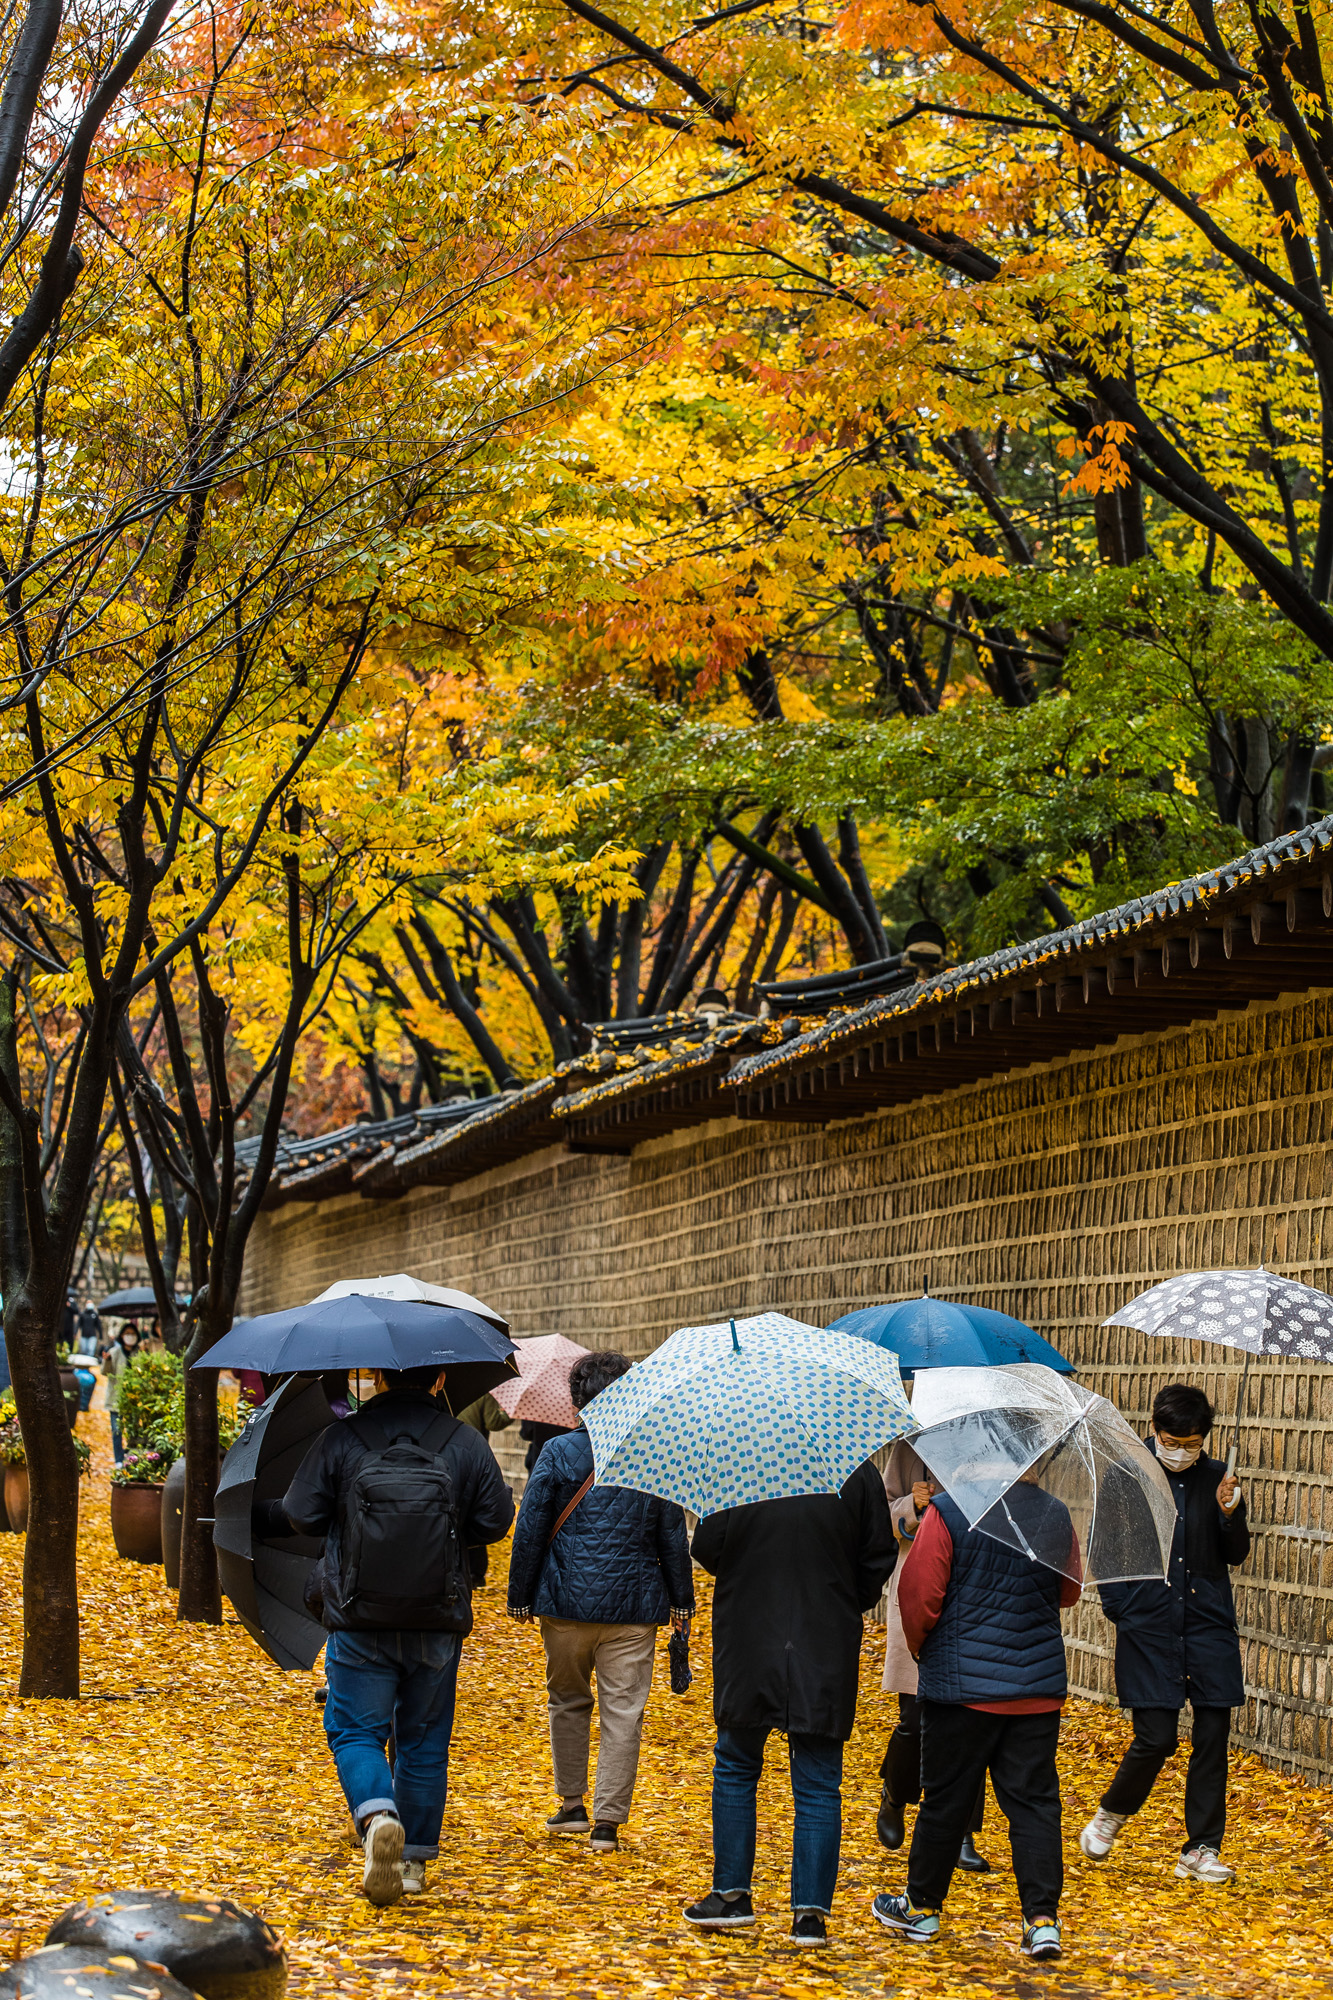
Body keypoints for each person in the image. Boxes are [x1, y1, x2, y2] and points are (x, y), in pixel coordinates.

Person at [278, 1363, 514, 1905]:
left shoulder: (342, 1437)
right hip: (436, 1618)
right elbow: (496, 1522)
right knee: (424, 1741)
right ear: (440, 1380)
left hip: (359, 1620)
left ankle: (378, 1814)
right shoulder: (465, 1441)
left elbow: (299, 1513)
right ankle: (412, 1865)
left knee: (356, 1731)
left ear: (377, 1376)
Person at [682, 1459, 896, 1949]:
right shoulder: (856, 1470)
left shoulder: (739, 1461)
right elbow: (877, 1556)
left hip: (748, 1629)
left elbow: (707, 1546)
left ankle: (732, 1893)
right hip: (824, 1636)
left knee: (736, 1764)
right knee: (819, 1779)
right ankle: (810, 1915)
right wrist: (838, 1595)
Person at [871, 1469, 1081, 1961]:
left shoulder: (948, 1511)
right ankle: (1042, 1921)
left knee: (945, 1799)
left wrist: (928, 1652)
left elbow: (919, 1594)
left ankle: (922, 1907)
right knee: (1034, 1803)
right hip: (1035, 1688)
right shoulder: (1055, 1513)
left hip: (961, 1690)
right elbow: (1068, 1591)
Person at [506, 1351, 694, 1852]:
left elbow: (530, 1530)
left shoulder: (558, 1453)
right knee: (623, 1712)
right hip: (633, 1607)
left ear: (577, 1401)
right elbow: (672, 1536)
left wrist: (520, 1596)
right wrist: (682, 1602)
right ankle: (608, 1822)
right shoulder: (655, 1453)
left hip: (565, 1603)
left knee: (567, 1700)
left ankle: (571, 1806)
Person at [1080, 1382, 1250, 1884]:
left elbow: (1235, 1553)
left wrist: (1228, 1512)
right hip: (1149, 1625)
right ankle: (1113, 1811)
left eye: (1193, 1443)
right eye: (1172, 1441)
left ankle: (1201, 1847)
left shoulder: (1221, 1477)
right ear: (1154, 1430)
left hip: (1207, 1623)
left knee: (1213, 1735)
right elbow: (1105, 1554)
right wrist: (1125, 1611)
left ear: (1205, 1439)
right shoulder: (1127, 1476)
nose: (1181, 1452)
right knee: (1155, 1738)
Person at [877, 1438, 989, 1871]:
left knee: (972, 1718)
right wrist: (911, 1504)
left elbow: (1019, 1501)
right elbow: (883, 1516)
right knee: (915, 1717)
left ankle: (962, 1832)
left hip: (975, 1587)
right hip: (920, 1589)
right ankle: (895, 1793)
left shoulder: (995, 1443)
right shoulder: (912, 1447)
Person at [457, 1390, 515, 1587]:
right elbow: (493, 1422)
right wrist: (509, 1412)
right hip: (473, 1453)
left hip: (447, 1452)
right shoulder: (483, 1393)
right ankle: (475, 1571)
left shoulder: (444, 1389)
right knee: (473, 1510)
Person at [102, 1323, 143, 1464]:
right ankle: (118, 1460)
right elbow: (105, 1372)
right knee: (116, 1431)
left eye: (132, 1333)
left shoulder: (140, 1352)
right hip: (116, 1398)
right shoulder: (114, 1352)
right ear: (121, 1335)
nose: (130, 1336)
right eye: (127, 1333)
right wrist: (106, 1360)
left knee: (134, 1431)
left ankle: (131, 1457)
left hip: (134, 1399)